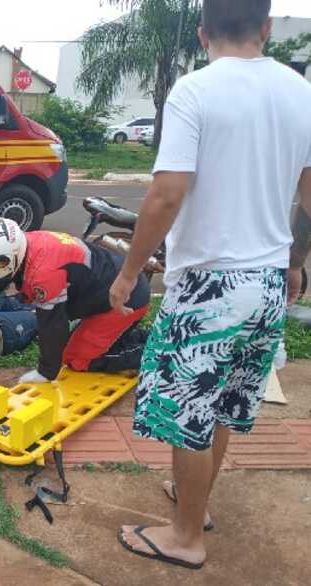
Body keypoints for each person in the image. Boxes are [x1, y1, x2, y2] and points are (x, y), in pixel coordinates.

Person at [108, 0, 311, 570]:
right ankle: (194, 503)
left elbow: (167, 193)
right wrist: (296, 261)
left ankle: (185, 538)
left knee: (187, 411)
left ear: (202, 33)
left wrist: (129, 272)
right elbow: (309, 195)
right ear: (267, 27)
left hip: (210, 287)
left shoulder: (195, 90)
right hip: (268, 282)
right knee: (220, 406)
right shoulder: (300, 92)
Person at [0, 218, 151, 382]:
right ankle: (135, 337)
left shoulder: (44, 274)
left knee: (78, 359)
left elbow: (53, 325)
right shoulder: (23, 245)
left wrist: (46, 372)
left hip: (124, 300)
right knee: (72, 348)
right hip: (108, 287)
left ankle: (152, 351)